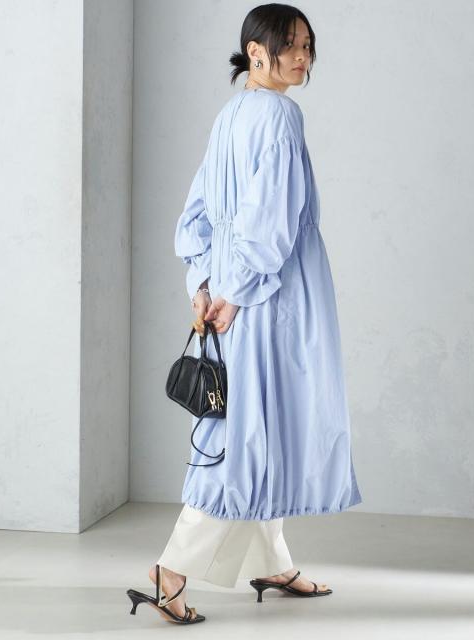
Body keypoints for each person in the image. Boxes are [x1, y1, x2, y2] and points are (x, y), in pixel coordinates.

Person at [127, 3, 362, 625]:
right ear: (256, 52)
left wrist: (204, 283)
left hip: (237, 291)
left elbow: (198, 212)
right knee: (243, 432)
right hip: (271, 294)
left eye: (308, 45)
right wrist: (235, 289)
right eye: (292, 46)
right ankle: (171, 571)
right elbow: (272, 220)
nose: (303, 58)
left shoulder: (230, 115)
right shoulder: (281, 116)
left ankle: (272, 560)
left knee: (261, 420)